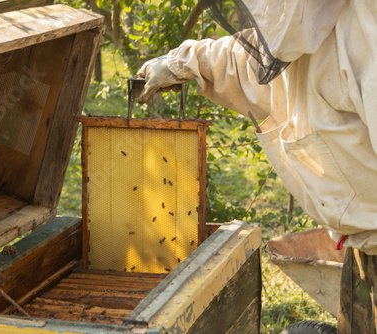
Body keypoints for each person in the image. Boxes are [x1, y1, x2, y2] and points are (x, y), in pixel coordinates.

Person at [136, 0, 377, 332]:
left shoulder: (366, 32)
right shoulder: (304, 28)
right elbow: (250, 60)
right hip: (363, 247)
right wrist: (182, 62)